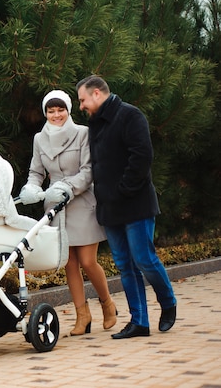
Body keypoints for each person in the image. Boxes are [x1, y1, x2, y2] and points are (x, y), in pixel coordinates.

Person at [76, 75, 177, 339]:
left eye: (83, 100)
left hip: (135, 204)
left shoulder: (130, 115)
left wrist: (122, 191)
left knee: (144, 259)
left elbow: (142, 157)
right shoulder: (95, 124)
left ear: (97, 93)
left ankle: (168, 303)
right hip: (109, 209)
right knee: (124, 265)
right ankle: (139, 322)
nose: (81, 106)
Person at [19, 90, 117, 336]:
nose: (56, 115)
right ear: (45, 113)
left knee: (87, 261)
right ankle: (82, 315)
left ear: (68, 110)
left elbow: (88, 170)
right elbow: (36, 172)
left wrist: (68, 187)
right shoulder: (39, 139)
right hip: (55, 205)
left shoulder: (83, 133)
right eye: (51, 111)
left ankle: (107, 303)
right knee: (69, 263)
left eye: (60, 110)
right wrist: (32, 187)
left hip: (81, 200)